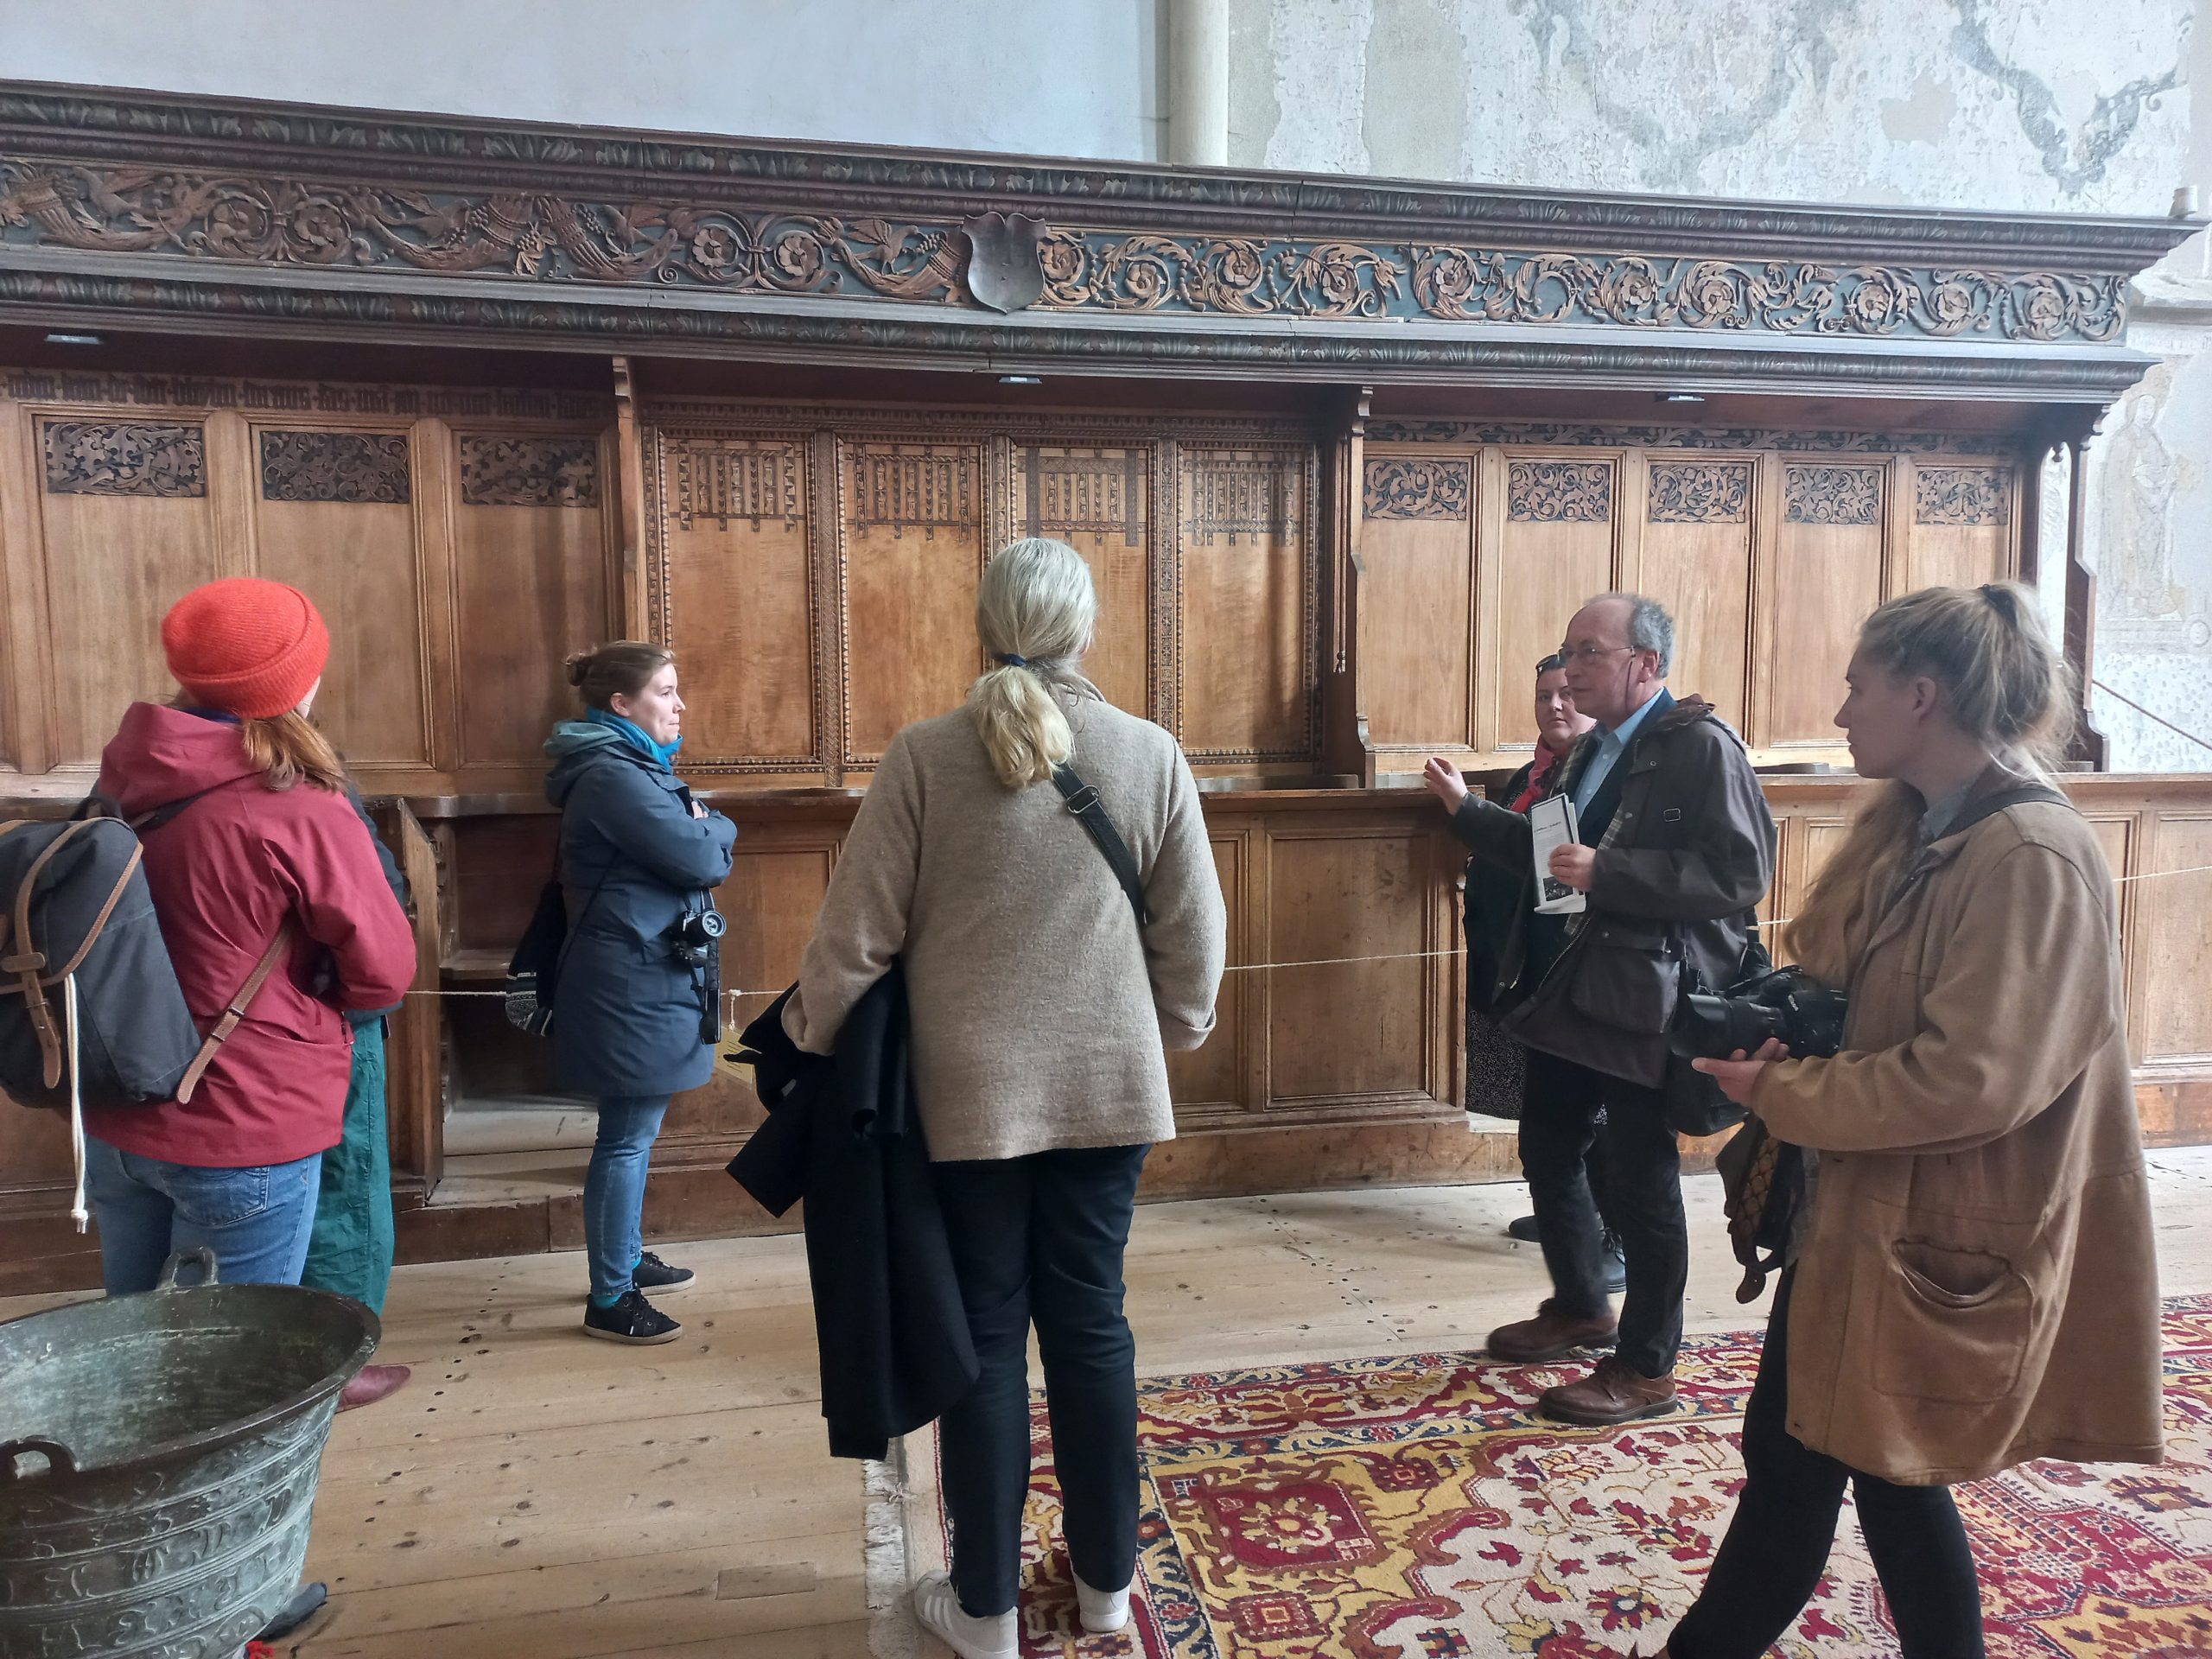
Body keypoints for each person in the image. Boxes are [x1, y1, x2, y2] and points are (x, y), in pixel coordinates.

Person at [1650, 585, 2161, 1659]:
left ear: (1922, 696)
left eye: (1858, 687)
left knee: (1848, 1475)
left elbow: (1971, 1082)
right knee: (1828, 1471)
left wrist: (1780, 1095)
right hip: (1863, 1220)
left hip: (1931, 1233)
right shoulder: (1936, 827)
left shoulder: (2027, 854)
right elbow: (1901, 1019)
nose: (1841, 712)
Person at [782, 537, 1226, 1659]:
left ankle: (982, 1612)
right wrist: (1167, 1033)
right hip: (1110, 1091)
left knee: (982, 1336)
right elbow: (1195, 940)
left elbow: (854, 938)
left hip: (967, 1100)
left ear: (984, 627)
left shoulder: (926, 757)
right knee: (1091, 1324)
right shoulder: (1150, 752)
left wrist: (807, 1043)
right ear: (1087, 630)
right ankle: (1108, 1591)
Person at [1424, 594, 1773, 1426]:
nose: (1571, 669)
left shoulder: (1700, 747)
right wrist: (1469, 815)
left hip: (1642, 1003)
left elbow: (1742, 873)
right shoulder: (1590, 749)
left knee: (1638, 1177)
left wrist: (1611, 873)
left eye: (1589, 652)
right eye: (1568, 650)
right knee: (1548, 1143)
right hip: (1571, 992)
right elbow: (1553, 859)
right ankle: (1582, 1305)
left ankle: (1648, 1367)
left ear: (1645, 664)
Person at [82, 576, 417, 1295]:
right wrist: (319, 996)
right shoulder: (296, 802)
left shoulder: (126, 769)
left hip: (120, 1107)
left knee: (133, 1343)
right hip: (239, 1114)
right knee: (235, 1356)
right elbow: (384, 972)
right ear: (301, 679)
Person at [545, 641, 736, 1345]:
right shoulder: (610, 776)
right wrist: (714, 825)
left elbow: (697, 839)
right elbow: (699, 855)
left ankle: (623, 1259)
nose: (680, 704)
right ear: (621, 704)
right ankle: (610, 1297)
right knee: (625, 1138)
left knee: (636, 1132)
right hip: (627, 982)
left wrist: (705, 824)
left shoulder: (631, 766)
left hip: (643, 971)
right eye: (665, 691)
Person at [1429, 655, 1621, 1293]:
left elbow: (1552, 866)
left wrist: (1464, 808)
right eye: (1543, 696)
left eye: (1568, 693)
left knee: (1599, 1118)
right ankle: (1571, 1217)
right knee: (1550, 1119)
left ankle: (1610, 1239)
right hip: (1526, 968)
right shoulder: (1534, 775)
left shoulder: (1600, 782)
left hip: (1578, 974)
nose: (1555, 706)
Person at [300, 780, 415, 1410]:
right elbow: (376, 917)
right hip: (320, 1019)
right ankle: (336, 1364)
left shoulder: (129, 780)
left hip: (182, 1030)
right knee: (346, 1188)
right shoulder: (304, 782)